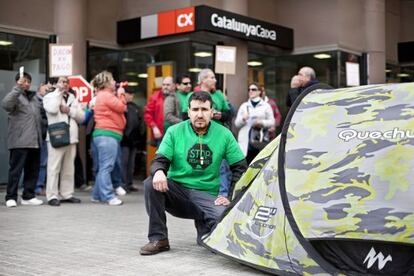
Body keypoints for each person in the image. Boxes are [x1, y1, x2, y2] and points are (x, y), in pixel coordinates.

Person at [140, 91, 247, 255]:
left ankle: (205, 228)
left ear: (212, 112)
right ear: (188, 112)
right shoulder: (174, 131)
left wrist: (230, 197)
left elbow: (240, 167)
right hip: (177, 193)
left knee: (221, 228)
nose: (200, 114)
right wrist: (159, 171)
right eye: (195, 110)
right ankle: (158, 239)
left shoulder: (224, 134)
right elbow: (160, 159)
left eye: (204, 109)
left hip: (207, 195)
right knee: (151, 183)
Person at [2, 72, 44, 207]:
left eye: (28, 81)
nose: (26, 83)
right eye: (24, 81)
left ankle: (28, 196)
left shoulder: (34, 98)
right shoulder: (15, 96)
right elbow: (6, 105)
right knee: (15, 170)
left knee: (33, 170)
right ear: (18, 82)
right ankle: (11, 197)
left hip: (35, 141)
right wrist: (17, 89)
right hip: (19, 141)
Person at [43, 76, 85, 206]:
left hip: (71, 138)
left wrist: (69, 110)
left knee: (69, 168)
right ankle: (52, 196)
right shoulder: (49, 96)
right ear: (55, 84)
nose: (64, 84)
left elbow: (82, 117)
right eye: (61, 82)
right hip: (56, 137)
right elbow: (53, 109)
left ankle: (67, 194)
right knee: (53, 168)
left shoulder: (72, 98)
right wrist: (58, 93)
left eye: (66, 82)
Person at [91, 71, 126, 206]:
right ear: (106, 82)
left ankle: (96, 195)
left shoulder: (103, 95)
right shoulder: (106, 95)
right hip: (108, 134)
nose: (114, 82)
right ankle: (108, 196)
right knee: (107, 166)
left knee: (103, 167)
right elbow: (122, 107)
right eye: (112, 80)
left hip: (105, 135)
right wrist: (121, 93)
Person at [235, 83, 275, 164]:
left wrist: (261, 122)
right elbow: (236, 123)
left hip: (259, 139)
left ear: (259, 92)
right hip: (246, 141)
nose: (250, 91)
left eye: (253, 89)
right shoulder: (244, 106)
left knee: (258, 164)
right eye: (249, 89)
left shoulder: (266, 106)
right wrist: (243, 119)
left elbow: (272, 121)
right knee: (246, 165)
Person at [121, 89, 143, 192]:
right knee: (124, 163)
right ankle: (123, 184)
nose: (130, 95)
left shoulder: (135, 107)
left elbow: (139, 123)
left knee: (131, 164)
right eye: (128, 93)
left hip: (134, 139)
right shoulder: (122, 106)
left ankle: (129, 183)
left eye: (131, 93)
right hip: (124, 140)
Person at [144, 76, 174, 146]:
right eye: (163, 84)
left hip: (175, 134)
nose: (165, 87)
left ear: (173, 86)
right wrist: (154, 127)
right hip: (161, 134)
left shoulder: (176, 97)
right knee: (162, 156)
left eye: (168, 85)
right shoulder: (155, 97)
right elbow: (147, 114)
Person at [35, 82, 52, 196]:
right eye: (45, 88)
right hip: (40, 135)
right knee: (42, 162)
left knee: (43, 162)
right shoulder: (37, 101)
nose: (47, 90)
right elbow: (42, 119)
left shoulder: (45, 100)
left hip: (43, 135)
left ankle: (38, 185)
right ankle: (38, 186)